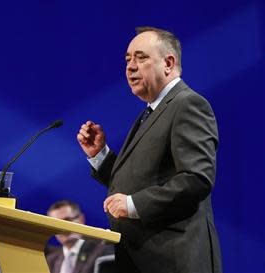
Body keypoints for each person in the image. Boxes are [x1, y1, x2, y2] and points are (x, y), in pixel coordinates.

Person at [76, 26, 222, 273]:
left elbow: (196, 179)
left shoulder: (188, 104)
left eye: (141, 57)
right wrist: (100, 156)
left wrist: (133, 204)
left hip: (174, 260)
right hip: (143, 260)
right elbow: (140, 180)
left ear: (168, 62)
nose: (130, 66)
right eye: (127, 59)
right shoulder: (152, 111)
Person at [45, 200, 114, 273]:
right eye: (56, 224)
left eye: (67, 220)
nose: (62, 229)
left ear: (81, 219)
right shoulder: (50, 261)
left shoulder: (102, 251)